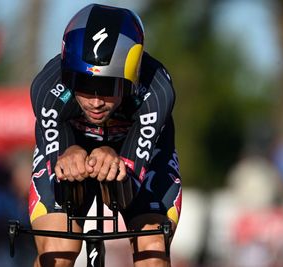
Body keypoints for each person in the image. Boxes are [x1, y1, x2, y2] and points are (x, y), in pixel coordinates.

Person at [29, 4, 182, 267]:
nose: (96, 102)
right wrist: (69, 154)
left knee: (152, 251)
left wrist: (116, 159)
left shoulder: (156, 92)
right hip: (73, 142)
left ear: (131, 78)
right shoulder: (47, 88)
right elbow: (56, 162)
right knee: (57, 251)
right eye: (86, 85)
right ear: (69, 76)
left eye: (109, 85)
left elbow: (130, 184)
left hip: (139, 155)